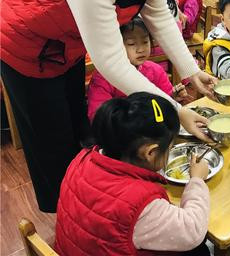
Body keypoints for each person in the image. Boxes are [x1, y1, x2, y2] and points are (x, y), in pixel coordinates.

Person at [0, 0, 215, 212]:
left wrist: (190, 72)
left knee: (79, 132)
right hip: (24, 46)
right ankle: (68, 221)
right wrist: (177, 110)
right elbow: (112, 63)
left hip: (63, 45)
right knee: (52, 145)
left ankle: (84, 203)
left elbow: (159, 16)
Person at [55, 93, 211, 255]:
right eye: (169, 148)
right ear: (150, 152)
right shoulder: (140, 204)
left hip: (71, 249)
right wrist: (197, 180)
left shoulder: (82, 158)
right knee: (199, 250)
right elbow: (193, 230)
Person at [87, 17, 188, 121]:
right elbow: (98, 116)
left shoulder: (155, 70)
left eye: (145, 42)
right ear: (115, 46)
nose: (141, 49)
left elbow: (163, 99)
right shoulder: (104, 77)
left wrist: (173, 98)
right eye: (131, 43)